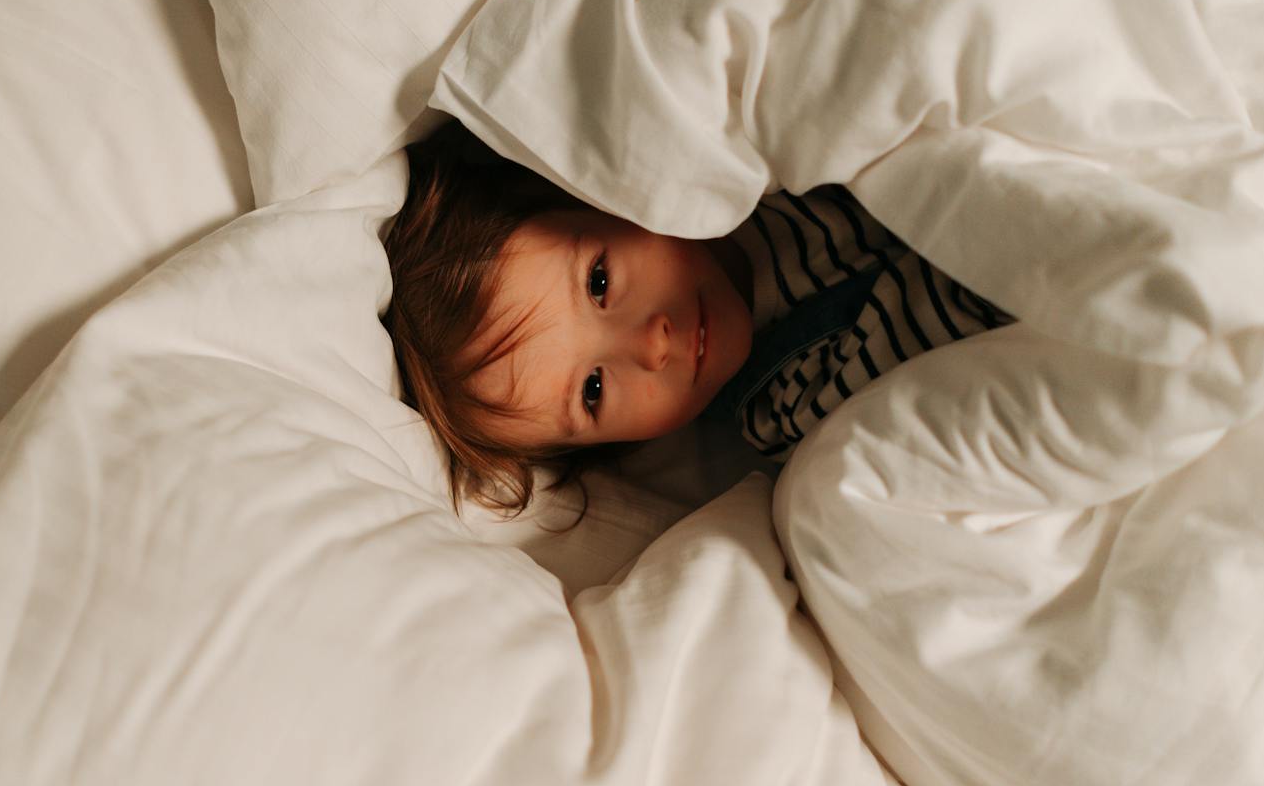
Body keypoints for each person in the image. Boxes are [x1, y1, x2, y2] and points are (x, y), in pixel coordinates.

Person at [383, 124, 1012, 514]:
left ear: (592, 197)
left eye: (600, 282)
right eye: (594, 390)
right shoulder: (788, 404)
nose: (653, 345)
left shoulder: (740, 151)